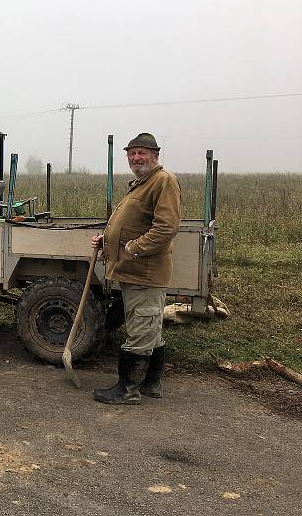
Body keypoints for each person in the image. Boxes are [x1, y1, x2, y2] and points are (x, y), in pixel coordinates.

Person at [91, 132, 181, 405]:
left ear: (155, 155)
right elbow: (133, 223)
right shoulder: (142, 183)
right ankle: (152, 383)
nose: (136, 157)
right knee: (149, 328)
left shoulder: (163, 181)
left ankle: (127, 389)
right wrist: (106, 239)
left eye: (142, 152)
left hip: (144, 272)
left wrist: (133, 248)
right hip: (134, 272)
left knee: (141, 330)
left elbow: (166, 227)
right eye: (132, 153)